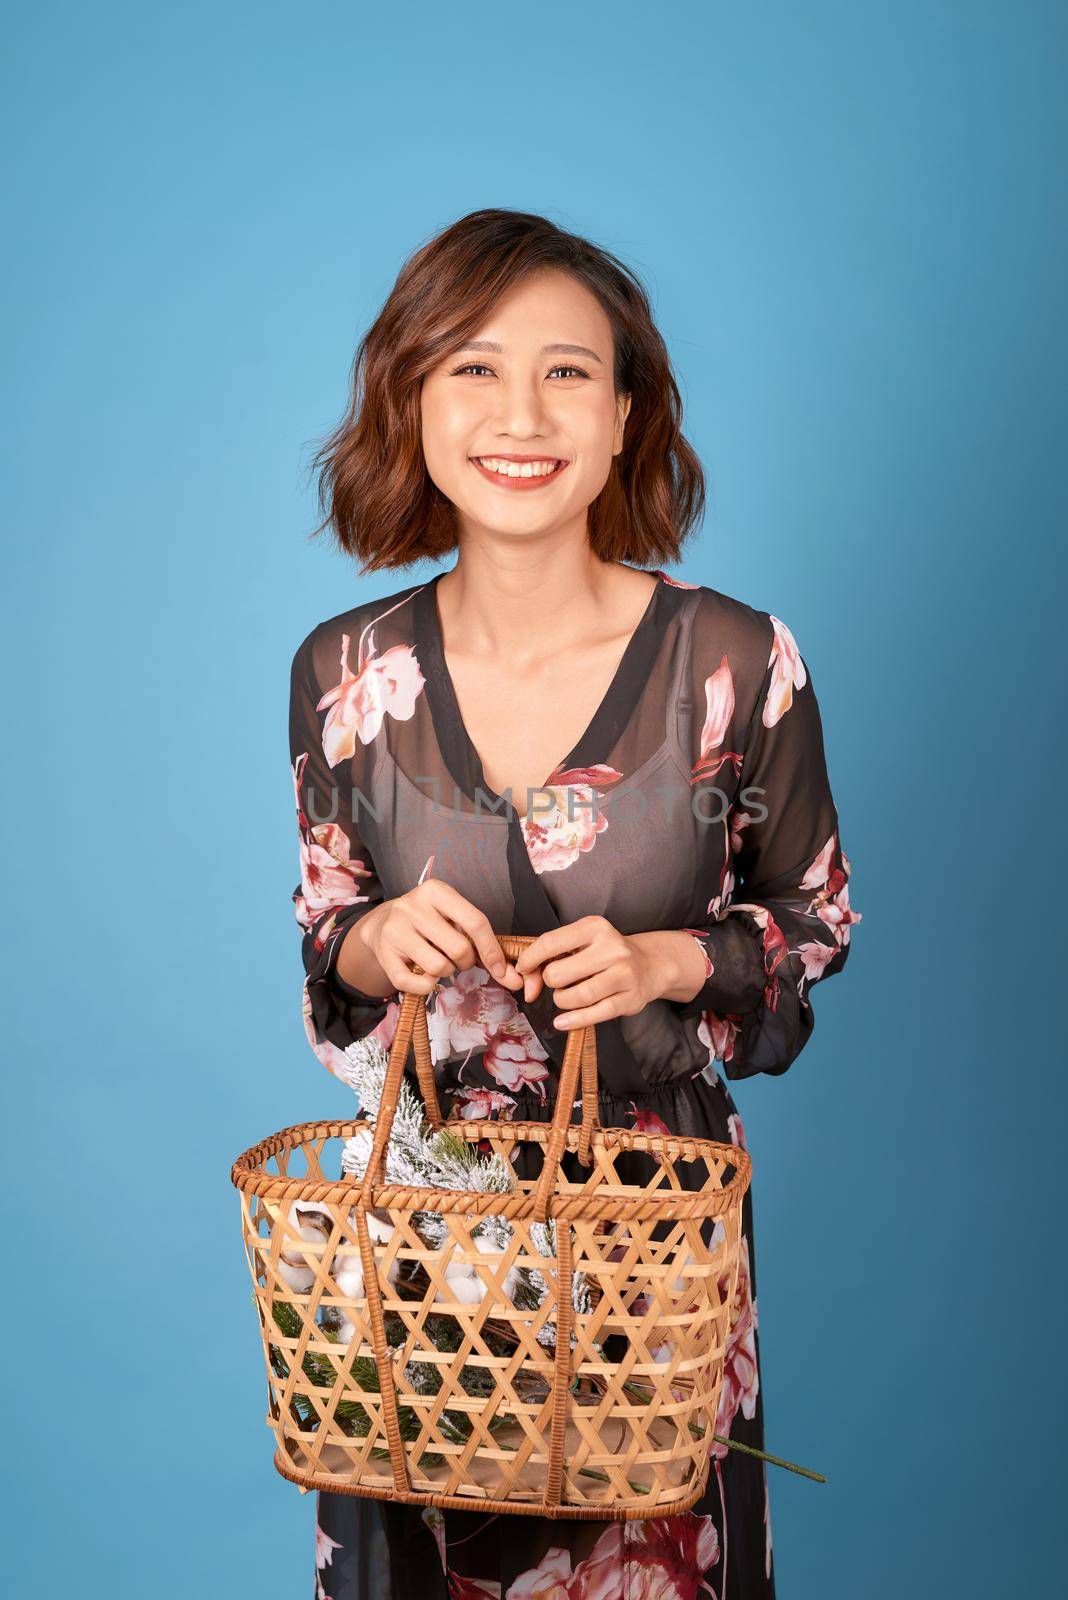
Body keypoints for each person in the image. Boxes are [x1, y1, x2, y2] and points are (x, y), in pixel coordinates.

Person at [290, 208, 860, 1600]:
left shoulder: (737, 661)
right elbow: (326, 940)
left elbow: (818, 926)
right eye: (473, 369)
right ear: (412, 402)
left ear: (624, 418)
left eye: (567, 372)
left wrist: (677, 958)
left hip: (655, 1253)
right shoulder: (343, 672)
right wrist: (375, 940)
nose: (520, 414)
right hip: (432, 1244)